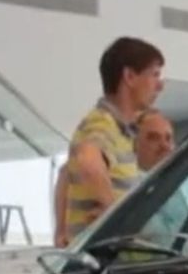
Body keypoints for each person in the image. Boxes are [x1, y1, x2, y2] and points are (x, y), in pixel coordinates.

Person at [54, 36, 163, 246]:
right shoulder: (102, 124)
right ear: (130, 77)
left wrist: (61, 232)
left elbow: (65, 173)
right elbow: (87, 160)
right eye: (154, 75)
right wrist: (115, 216)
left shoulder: (119, 129)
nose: (160, 85)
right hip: (98, 267)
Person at [135, 110, 188, 242]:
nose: (165, 146)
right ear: (133, 144)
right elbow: (158, 240)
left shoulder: (173, 188)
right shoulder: (126, 189)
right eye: (153, 138)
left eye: (168, 138)